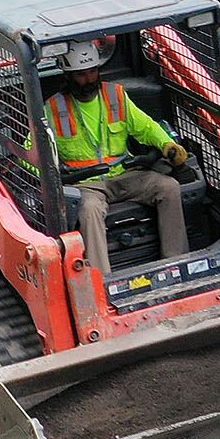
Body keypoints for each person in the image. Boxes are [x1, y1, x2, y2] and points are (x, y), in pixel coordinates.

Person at [46, 48, 191, 274]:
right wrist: (48, 174)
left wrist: (167, 144)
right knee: (89, 210)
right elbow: (34, 151)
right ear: (68, 75)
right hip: (86, 185)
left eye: (92, 71)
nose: (89, 79)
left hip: (124, 175)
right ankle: (101, 279)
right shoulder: (54, 109)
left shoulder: (115, 96)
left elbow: (147, 127)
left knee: (168, 187)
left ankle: (177, 264)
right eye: (81, 74)